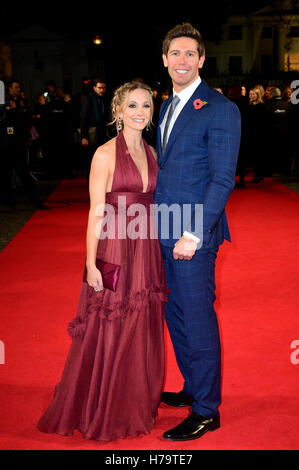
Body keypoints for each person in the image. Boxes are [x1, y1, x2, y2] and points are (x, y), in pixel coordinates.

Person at [37, 81, 169, 441]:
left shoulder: (154, 152)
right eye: (132, 106)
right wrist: (91, 263)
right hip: (114, 247)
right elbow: (96, 212)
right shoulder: (105, 154)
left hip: (146, 246)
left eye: (145, 106)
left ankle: (134, 398)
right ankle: (104, 402)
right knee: (111, 323)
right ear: (117, 112)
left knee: (140, 323)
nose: (140, 112)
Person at [155, 23, 241, 441]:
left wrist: (194, 232)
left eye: (191, 54)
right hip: (162, 230)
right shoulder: (167, 105)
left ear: (202, 60)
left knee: (198, 318)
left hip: (192, 233)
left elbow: (223, 178)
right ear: (165, 59)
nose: (182, 61)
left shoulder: (220, 108)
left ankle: (208, 410)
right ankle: (193, 388)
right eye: (176, 53)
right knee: (177, 317)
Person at [0, 80, 49, 210]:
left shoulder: (22, 103)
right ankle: (9, 203)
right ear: (9, 89)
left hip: (19, 145)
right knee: (6, 176)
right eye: (15, 87)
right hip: (6, 146)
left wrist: (17, 111)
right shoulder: (3, 103)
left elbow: (27, 119)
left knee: (25, 175)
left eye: (19, 87)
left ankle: (36, 202)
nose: (18, 89)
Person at [80, 78, 109, 179]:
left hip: (103, 134)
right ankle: (91, 182)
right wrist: (83, 136)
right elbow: (84, 118)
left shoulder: (105, 99)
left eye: (104, 88)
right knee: (92, 160)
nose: (102, 90)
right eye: (100, 88)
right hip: (92, 135)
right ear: (94, 88)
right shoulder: (88, 100)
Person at [247, 86, 267, 183]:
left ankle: (259, 176)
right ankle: (258, 175)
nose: (251, 96)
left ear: (258, 95)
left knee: (260, 156)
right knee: (255, 156)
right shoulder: (250, 106)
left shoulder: (261, 107)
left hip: (259, 135)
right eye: (250, 94)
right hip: (252, 134)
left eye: (253, 94)